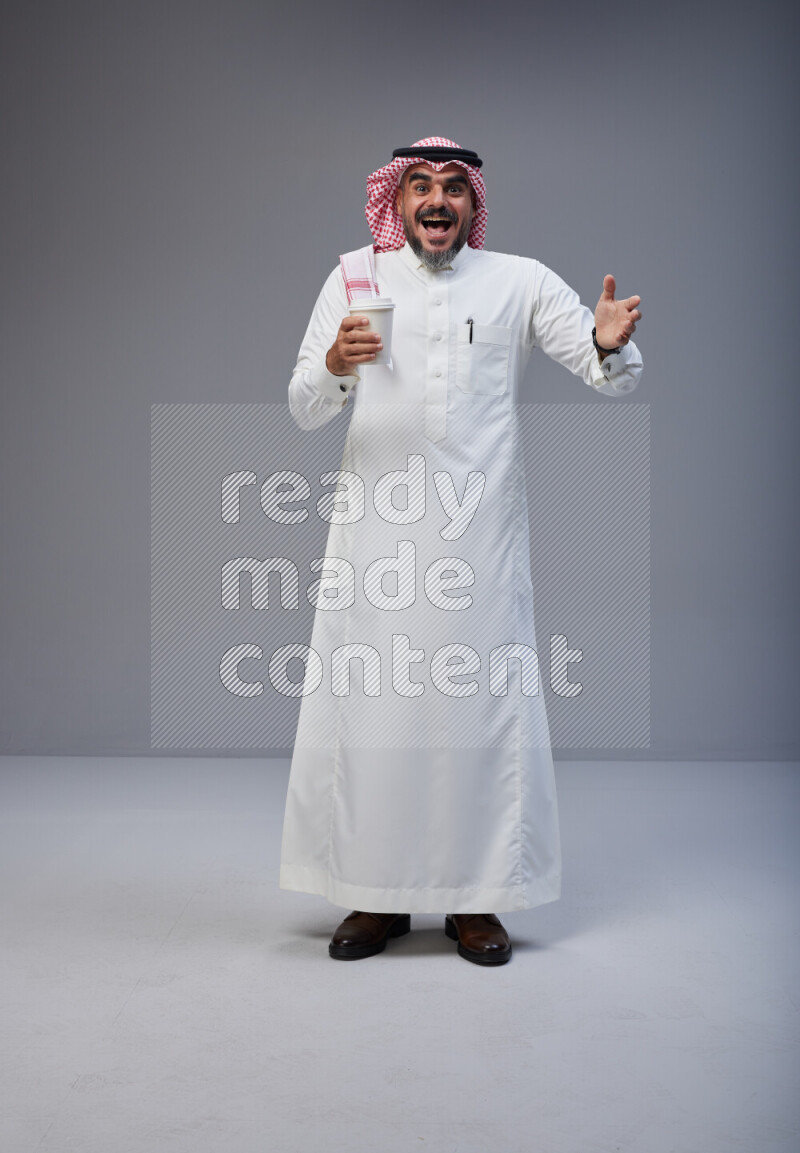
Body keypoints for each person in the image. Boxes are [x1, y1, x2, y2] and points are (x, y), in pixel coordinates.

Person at [279, 137, 642, 965]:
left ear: (474, 205)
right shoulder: (355, 278)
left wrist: (608, 341)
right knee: (376, 711)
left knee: (477, 713)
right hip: (378, 540)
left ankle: (476, 899)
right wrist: (335, 364)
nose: (436, 200)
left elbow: (606, 371)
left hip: (479, 540)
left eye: (452, 187)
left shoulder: (518, 281)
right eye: (419, 186)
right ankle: (374, 894)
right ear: (396, 202)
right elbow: (303, 405)